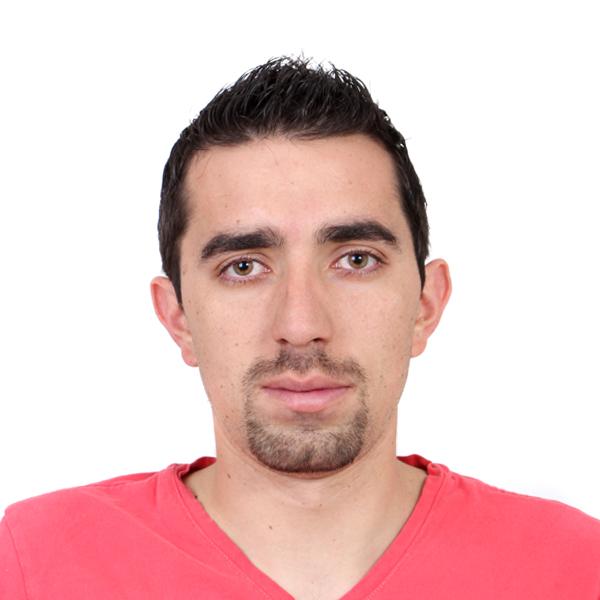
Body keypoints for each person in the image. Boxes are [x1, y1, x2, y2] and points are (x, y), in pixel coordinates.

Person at [1, 56, 599, 600]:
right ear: (177, 316)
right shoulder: (34, 560)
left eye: (356, 260)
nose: (301, 325)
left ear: (426, 303)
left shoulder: (575, 566)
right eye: (244, 267)